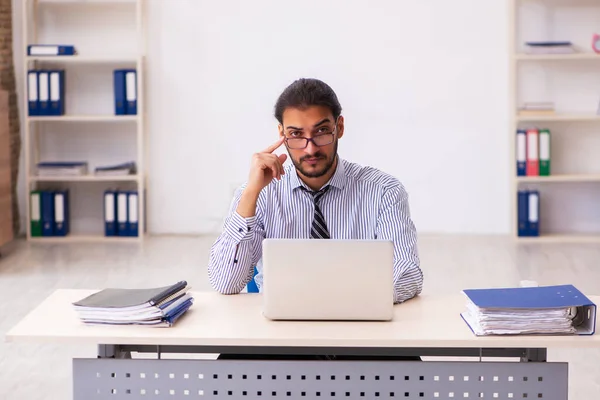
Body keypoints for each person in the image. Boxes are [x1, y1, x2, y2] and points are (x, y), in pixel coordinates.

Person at [208, 78, 423, 361]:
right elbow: (225, 282)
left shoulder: (383, 191)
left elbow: (407, 273)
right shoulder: (259, 193)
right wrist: (250, 194)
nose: (310, 149)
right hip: (278, 336)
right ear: (282, 135)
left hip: (361, 331)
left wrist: (336, 302)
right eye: (296, 135)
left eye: (321, 132)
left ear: (340, 128)